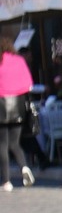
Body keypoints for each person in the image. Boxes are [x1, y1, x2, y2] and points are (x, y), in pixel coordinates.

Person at [0, 35, 36, 191]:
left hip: (1, 104)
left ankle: (7, 181)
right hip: (18, 105)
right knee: (15, 142)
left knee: (2, 144)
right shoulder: (19, 61)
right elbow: (28, 84)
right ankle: (24, 167)